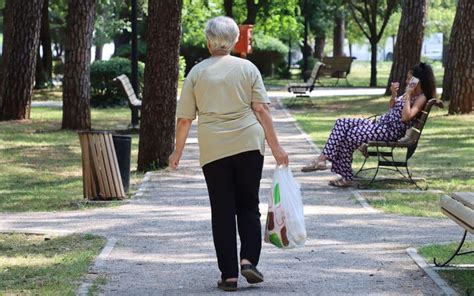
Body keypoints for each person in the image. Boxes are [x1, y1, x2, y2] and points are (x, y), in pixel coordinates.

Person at [168, 16, 289, 291]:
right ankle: (248, 260)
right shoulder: (248, 68)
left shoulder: (197, 73)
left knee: (222, 211)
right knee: (248, 205)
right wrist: (276, 147)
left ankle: (229, 275)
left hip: (214, 149)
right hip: (249, 144)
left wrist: (177, 153)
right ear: (234, 41)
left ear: (209, 42)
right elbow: (262, 110)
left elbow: (184, 119)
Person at [301, 63, 437, 187]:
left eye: (410, 78)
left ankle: (343, 175)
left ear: (418, 80)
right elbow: (392, 108)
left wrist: (407, 94)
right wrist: (394, 94)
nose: (407, 81)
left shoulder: (421, 97)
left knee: (351, 134)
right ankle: (322, 159)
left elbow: (406, 117)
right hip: (381, 123)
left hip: (391, 130)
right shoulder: (410, 93)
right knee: (341, 123)